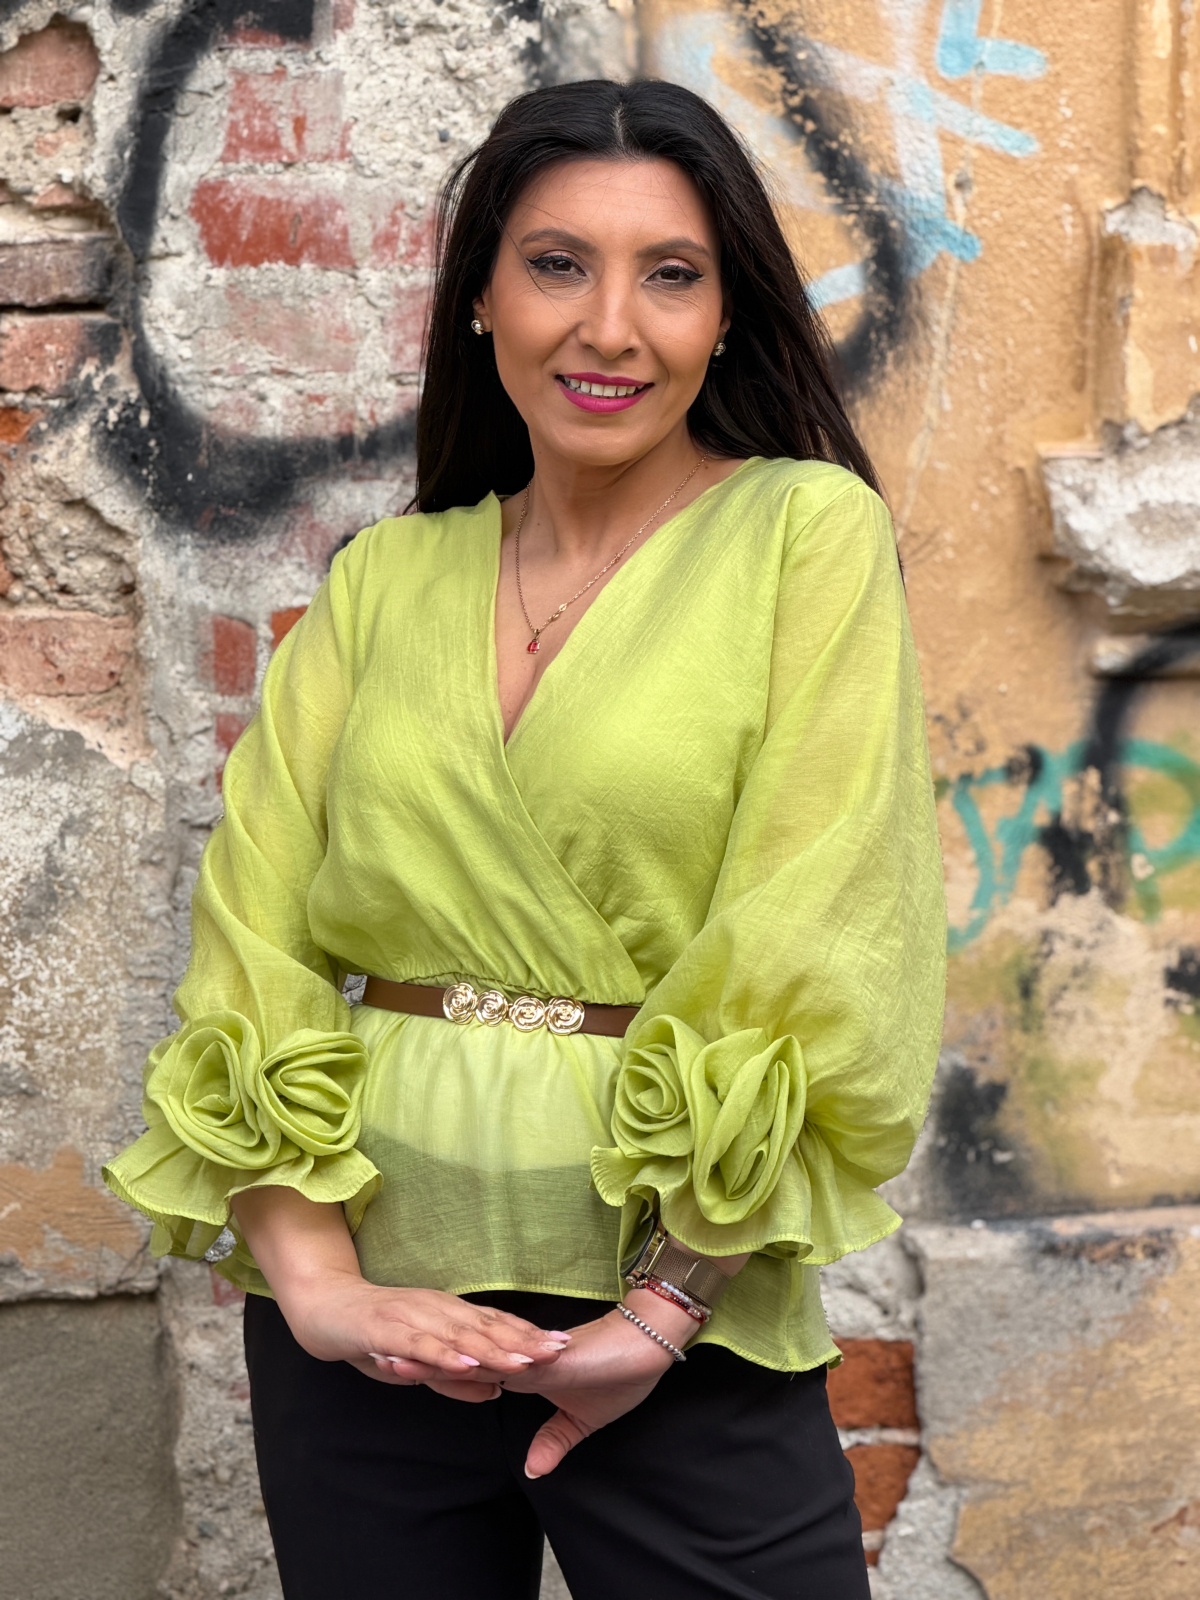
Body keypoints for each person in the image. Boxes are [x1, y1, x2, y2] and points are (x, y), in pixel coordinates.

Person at [104, 77, 946, 1600]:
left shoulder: (803, 535)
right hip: (366, 1321)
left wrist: (662, 1313)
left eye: (670, 275)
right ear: (482, 295)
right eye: (558, 264)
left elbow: (821, 929)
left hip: (671, 1314)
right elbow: (253, 940)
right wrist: (319, 1288)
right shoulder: (382, 579)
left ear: (726, 318)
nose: (609, 327)